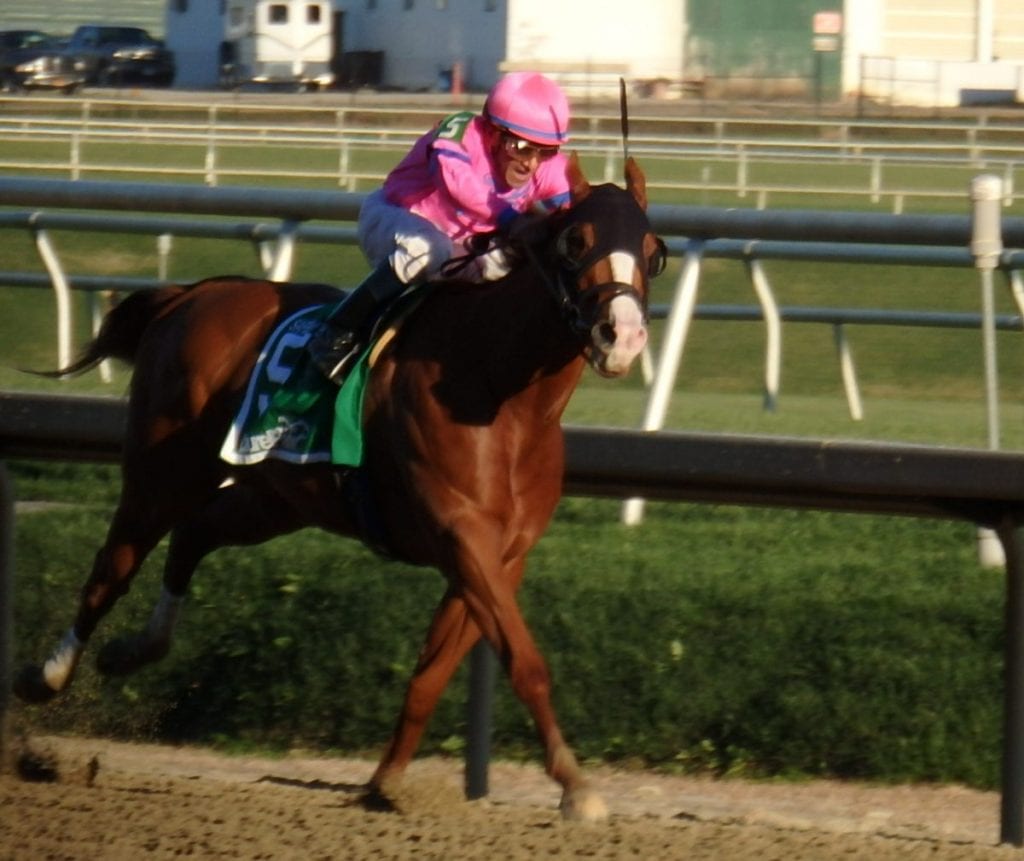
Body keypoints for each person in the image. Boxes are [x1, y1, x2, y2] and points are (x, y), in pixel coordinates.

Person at [307, 71, 573, 383]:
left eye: (545, 151)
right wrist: (510, 219)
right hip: (396, 218)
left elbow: (575, 210)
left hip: (462, 245)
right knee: (428, 249)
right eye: (520, 146)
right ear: (493, 132)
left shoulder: (543, 165)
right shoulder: (460, 131)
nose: (531, 163)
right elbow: (456, 183)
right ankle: (337, 330)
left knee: (514, 264)